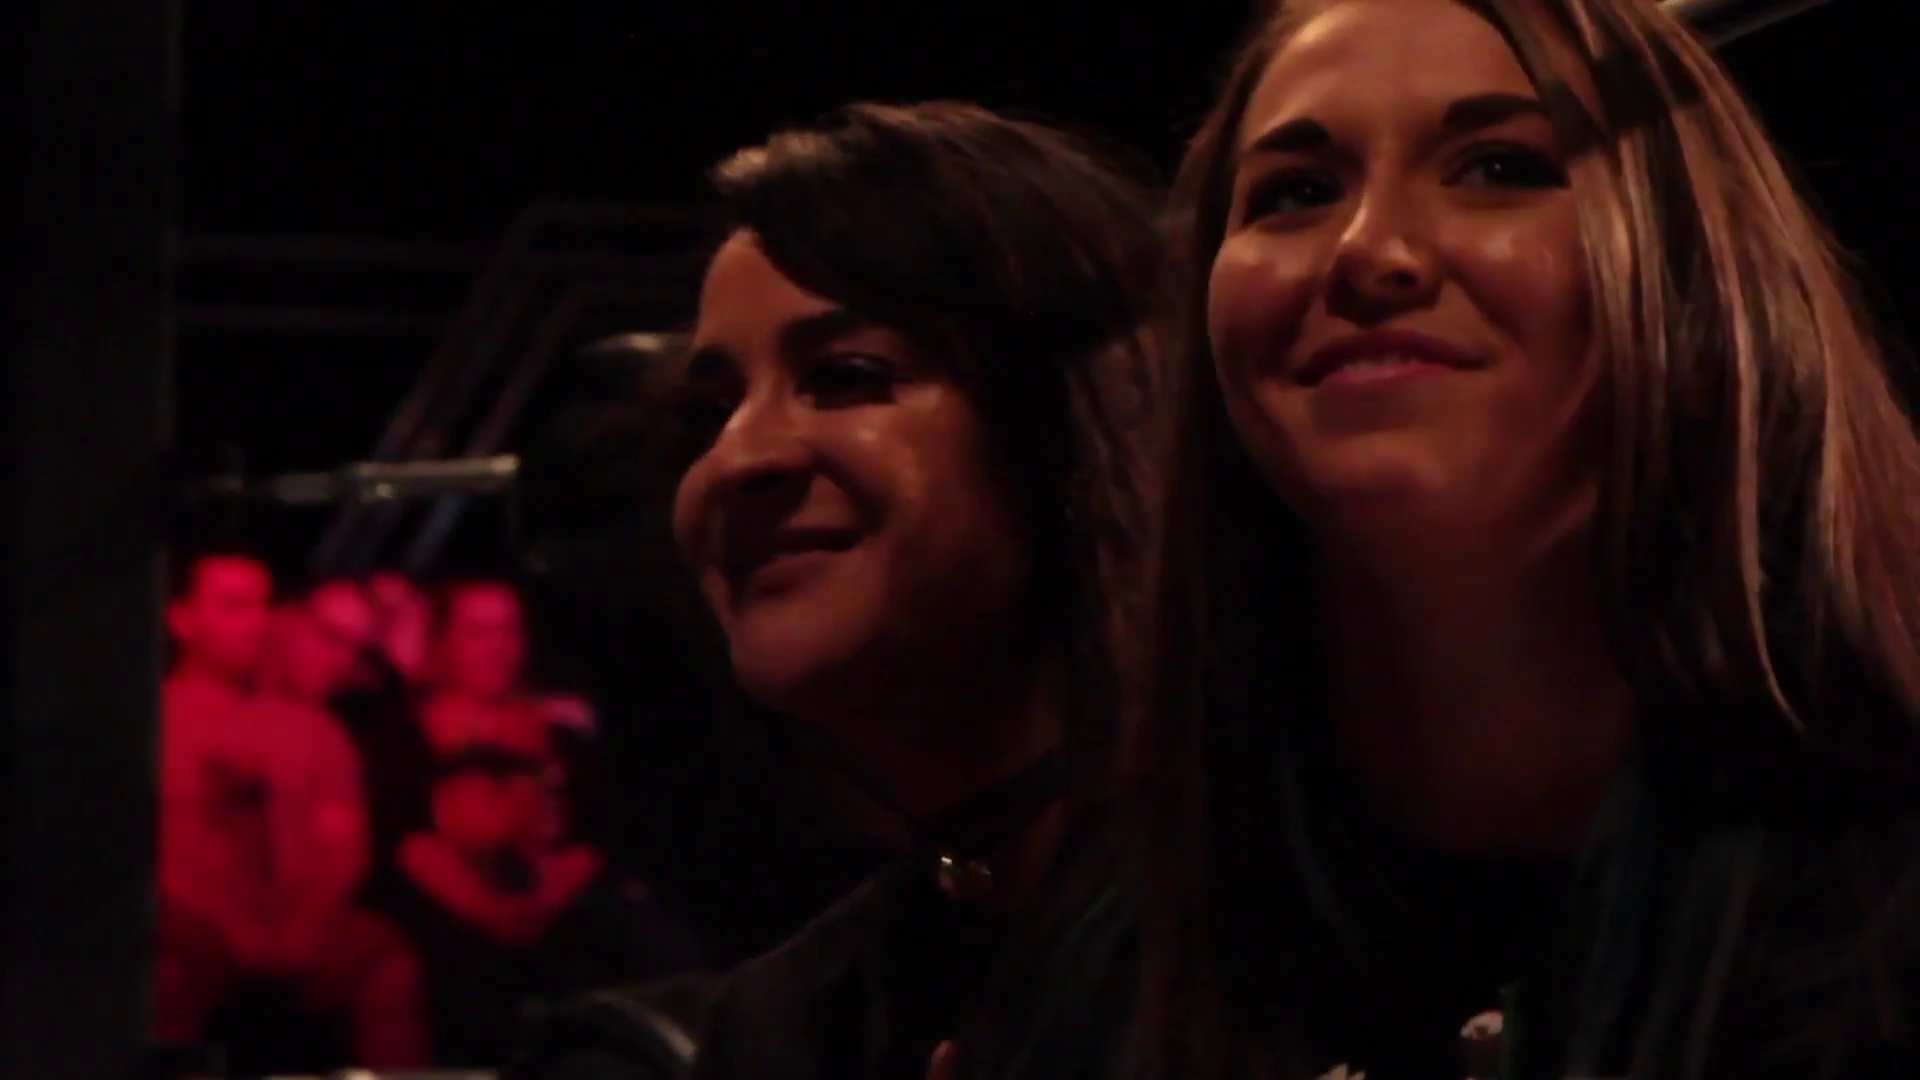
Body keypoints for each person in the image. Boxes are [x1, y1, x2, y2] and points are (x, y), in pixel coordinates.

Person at [959, 1, 1920, 1079]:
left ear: (1699, 267)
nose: (1370, 253)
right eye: (1297, 192)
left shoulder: (1880, 912)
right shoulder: (1111, 970)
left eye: (1500, 168)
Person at [506, 100, 1163, 1079]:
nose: (736, 458)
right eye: (711, 407)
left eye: (849, 376)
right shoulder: (786, 1030)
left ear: (1074, 422)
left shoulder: (1312, 932)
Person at [158, 556, 430, 1070]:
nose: (255, 623)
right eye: (234, 607)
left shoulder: (314, 728)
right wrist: (227, 922)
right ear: (183, 619)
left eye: (262, 606)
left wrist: (304, 922)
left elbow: (345, 846)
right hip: (193, 927)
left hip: (300, 928)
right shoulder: (152, 720)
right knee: (162, 967)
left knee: (385, 959)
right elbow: (137, 856)